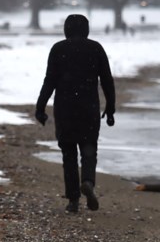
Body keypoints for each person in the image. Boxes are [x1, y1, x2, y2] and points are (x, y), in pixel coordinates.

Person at [35, 14, 116, 213]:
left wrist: (40, 107)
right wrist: (111, 107)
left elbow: (50, 81)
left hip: (65, 110)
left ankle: (73, 200)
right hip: (89, 109)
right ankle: (87, 181)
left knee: (68, 155)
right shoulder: (95, 48)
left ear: (66, 30)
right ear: (86, 30)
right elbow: (107, 80)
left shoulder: (58, 49)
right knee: (89, 150)